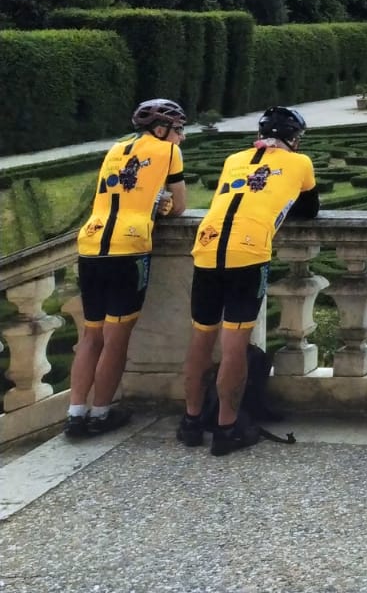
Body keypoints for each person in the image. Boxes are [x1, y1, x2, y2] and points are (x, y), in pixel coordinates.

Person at [178, 106, 319, 456]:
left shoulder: (234, 158)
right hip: (248, 251)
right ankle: (227, 427)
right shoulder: (300, 163)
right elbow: (309, 208)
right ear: (293, 139)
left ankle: (191, 422)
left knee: (200, 338)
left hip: (208, 246)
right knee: (233, 345)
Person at [65, 99, 190, 439]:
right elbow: (180, 206)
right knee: (115, 340)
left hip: (91, 243)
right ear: (161, 129)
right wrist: (162, 205)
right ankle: (101, 413)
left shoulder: (116, 148)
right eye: (178, 130)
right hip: (128, 247)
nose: (180, 138)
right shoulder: (168, 152)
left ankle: (75, 413)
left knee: (90, 336)